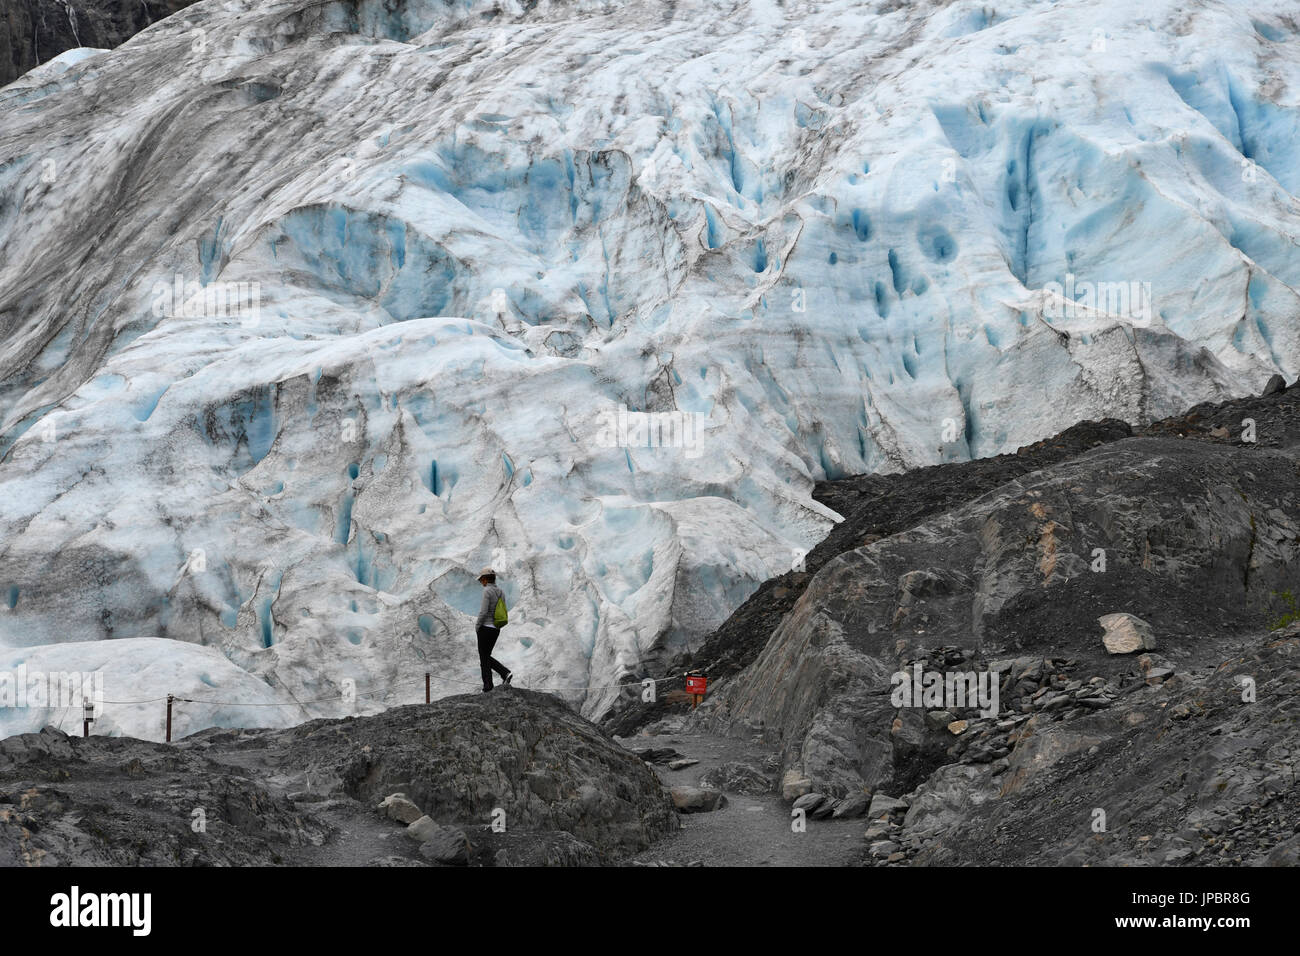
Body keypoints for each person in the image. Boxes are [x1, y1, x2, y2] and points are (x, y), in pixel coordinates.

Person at [475, 567, 512, 692]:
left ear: (485, 579)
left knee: (483, 657)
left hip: (485, 627)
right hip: (496, 628)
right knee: (486, 656)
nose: (481, 582)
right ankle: (504, 673)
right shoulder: (501, 592)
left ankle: (488, 685)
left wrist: (477, 625)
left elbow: (483, 611)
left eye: (481, 580)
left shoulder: (487, 591)